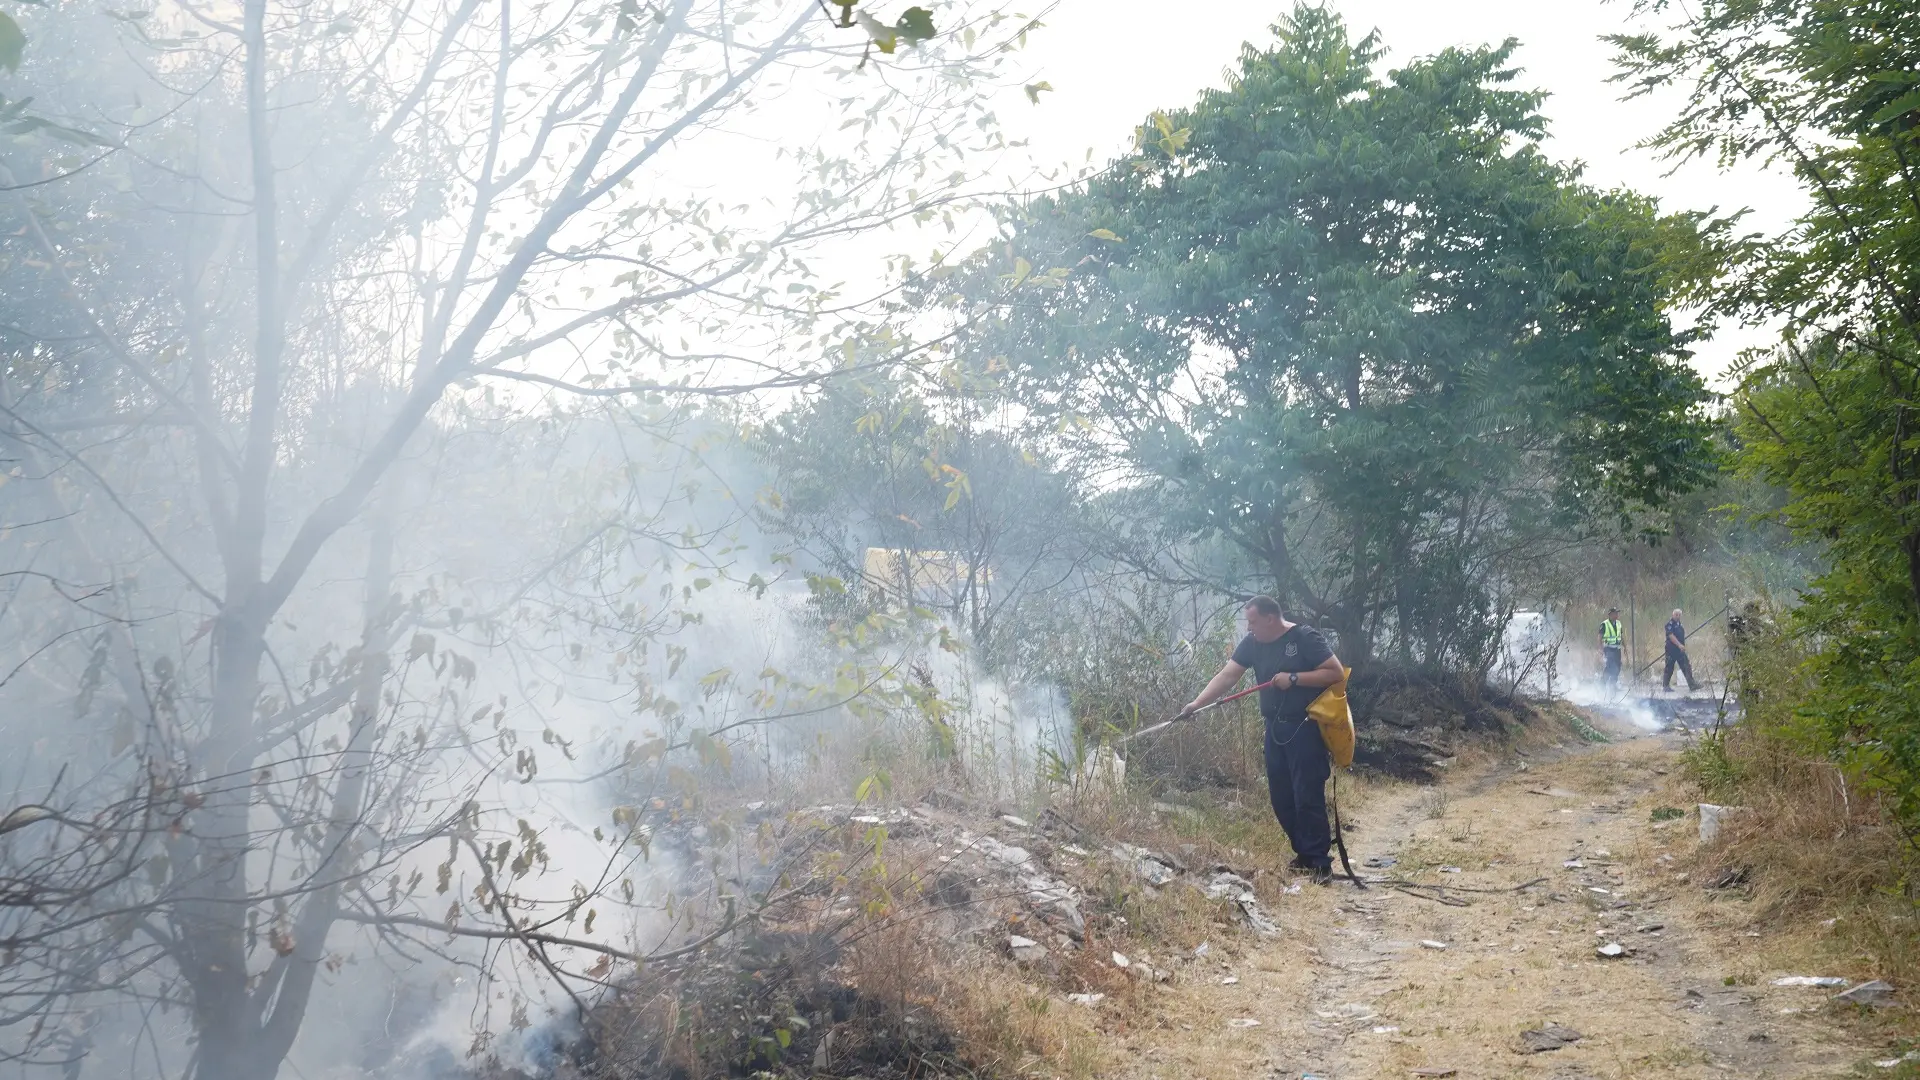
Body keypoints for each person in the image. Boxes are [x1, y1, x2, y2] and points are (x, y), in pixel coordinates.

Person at [1180, 595, 1345, 883]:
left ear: (1271, 619)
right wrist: (1196, 704)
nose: (1248, 628)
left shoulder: (1304, 637)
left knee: (1307, 795)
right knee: (1281, 798)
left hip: (1305, 728)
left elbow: (1335, 672)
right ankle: (1304, 854)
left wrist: (1293, 678)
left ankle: (1320, 863)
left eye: (1253, 621)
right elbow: (1228, 675)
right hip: (1274, 729)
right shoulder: (1253, 643)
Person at [1663, 608, 1700, 692]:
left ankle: (1692, 685)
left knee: (1686, 666)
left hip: (1680, 650)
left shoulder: (1680, 625)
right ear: (1673, 615)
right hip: (1671, 650)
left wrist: (1682, 645)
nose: (1678, 616)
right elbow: (1671, 636)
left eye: (1679, 615)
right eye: (1676, 614)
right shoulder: (1669, 624)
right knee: (1669, 668)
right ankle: (1665, 686)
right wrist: (1679, 644)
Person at [1599, 607, 1624, 690]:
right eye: (1615, 613)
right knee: (1610, 666)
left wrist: (1625, 648)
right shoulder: (1604, 624)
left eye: (1617, 613)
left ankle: (1613, 684)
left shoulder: (1619, 623)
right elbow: (1599, 637)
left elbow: (1621, 636)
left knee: (1618, 666)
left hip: (1617, 649)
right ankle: (1603, 683)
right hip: (1608, 648)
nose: (1617, 615)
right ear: (1610, 614)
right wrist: (1601, 649)